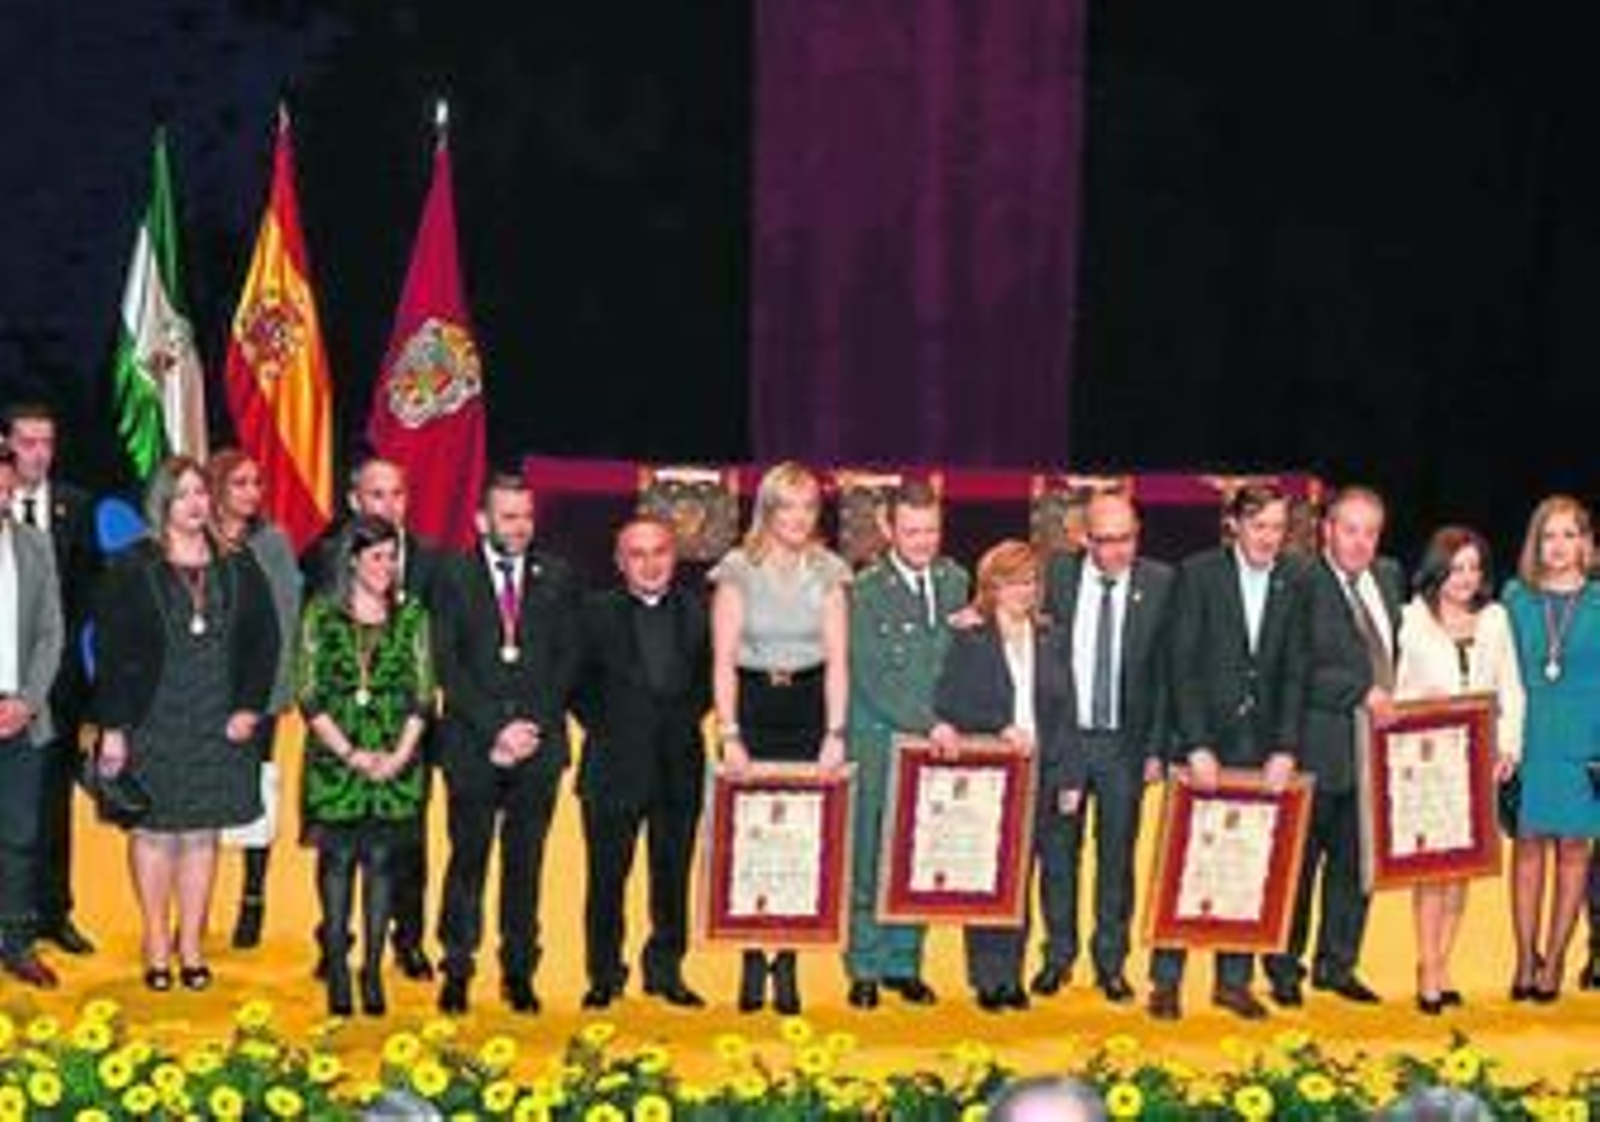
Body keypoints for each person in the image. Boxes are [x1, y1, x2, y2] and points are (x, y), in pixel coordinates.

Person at [92, 455, 279, 991]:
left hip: (219, 718)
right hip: (151, 716)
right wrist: (113, 727)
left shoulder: (238, 563)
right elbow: (110, 650)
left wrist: (249, 706)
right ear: (162, 503)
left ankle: (191, 943)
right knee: (154, 831)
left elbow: (265, 641)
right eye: (183, 495)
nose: (195, 504)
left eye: (200, 492)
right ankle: (156, 939)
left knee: (201, 833)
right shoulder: (133, 565)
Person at [1147, 482, 1307, 1021]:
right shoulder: (1198, 574)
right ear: (1234, 525)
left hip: (1261, 746)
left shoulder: (1295, 579)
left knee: (1245, 861)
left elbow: (1296, 669)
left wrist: (1285, 747)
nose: (1269, 538)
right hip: (1203, 743)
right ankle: (1166, 980)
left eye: (1278, 528)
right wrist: (1195, 744)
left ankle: (1233, 982)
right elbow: (1180, 665)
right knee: (1185, 860)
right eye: (1259, 526)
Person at [432, 472, 579, 1014]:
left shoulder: (557, 576)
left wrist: (528, 728)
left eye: (527, 517)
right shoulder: (451, 576)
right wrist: (496, 728)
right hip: (473, 744)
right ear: (482, 521)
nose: (520, 527)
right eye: (509, 517)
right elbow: (447, 662)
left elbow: (569, 659)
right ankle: (457, 967)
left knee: (526, 862)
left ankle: (519, 971)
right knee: (467, 860)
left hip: (538, 745)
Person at [709, 462, 850, 1014]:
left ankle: (788, 957)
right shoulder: (737, 569)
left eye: (809, 506)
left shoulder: (830, 571)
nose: (799, 517)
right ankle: (750, 955)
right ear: (767, 509)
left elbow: (839, 660)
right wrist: (729, 733)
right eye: (788, 506)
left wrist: (835, 733)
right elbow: (722, 661)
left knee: (801, 836)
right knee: (748, 834)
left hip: (809, 705)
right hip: (753, 702)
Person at [304, 456, 445, 981]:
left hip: (407, 729)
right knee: (336, 849)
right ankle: (334, 943)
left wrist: (413, 729)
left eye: (398, 494)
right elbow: (311, 653)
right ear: (353, 500)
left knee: (406, 843)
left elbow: (440, 648)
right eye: (376, 494)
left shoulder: (435, 561)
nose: (389, 504)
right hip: (339, 732)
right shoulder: (323, 558)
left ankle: (408, 941)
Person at [1265, 485, 1403, 1007]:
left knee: (1355, 868)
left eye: (1371, 532)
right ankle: (1284, 968)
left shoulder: (1387, 577)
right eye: (1350, 530)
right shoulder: (1300, 580)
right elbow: (1294, 666)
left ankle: (1338, 964)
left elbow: (1400, 654)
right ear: (1327, 530)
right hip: (1315, 750)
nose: (1360, 542)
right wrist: (1361, 692)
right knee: (1298, 869)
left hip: (1375, 756)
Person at [932, 540, 1083, 1012]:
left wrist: (1071, 778)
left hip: (1046, 772)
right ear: (992, 585)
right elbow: (952, 703)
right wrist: (1000, 727)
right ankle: (987, 977)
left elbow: (1068, 711)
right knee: (991, 875)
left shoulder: (1051, 636)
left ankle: (1012, 975)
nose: (1024, 590)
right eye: (1014, 581)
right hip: (992, 775)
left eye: (1031, 581)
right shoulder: (970, 637)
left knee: (1030, 877)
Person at [571, 515, 711, 1010]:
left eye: (659, 552)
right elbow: (576, 686)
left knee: (672, 879)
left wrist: (675, 723)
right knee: (606, 880)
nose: (650, 564)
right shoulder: (592, 614)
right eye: (637, 554)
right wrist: (616, 727)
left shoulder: (699, 613)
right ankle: (604, 974)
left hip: (679, 767)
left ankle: (666, 970)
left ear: (675, 556)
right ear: (619, 562)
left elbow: (708, 684)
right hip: (612, 767)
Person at [1038, 489, 1173, 1003]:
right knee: (1058, 855)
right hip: (1065, 741)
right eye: (1106, 541)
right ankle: (1057, 956)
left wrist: (1158, 747)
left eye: (1127, 539)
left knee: (1117, 859)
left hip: (1124, 745)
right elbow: (1013, 615)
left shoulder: (1161, 583)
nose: (1118, 551)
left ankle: (1111, 963)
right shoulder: (1056, 576)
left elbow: (1167, 673)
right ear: (1083, 539)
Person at [843, 480, 968, 1009]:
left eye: (931, 530)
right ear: (887, 528)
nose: (923, 541)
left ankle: (904, 962)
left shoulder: (956, 580)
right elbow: (871, 674)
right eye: (912, 531)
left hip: (937, 741)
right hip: (879, 737)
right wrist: (927, 722)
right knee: (872, 853)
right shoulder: (864, 591)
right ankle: (865, 966)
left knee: (919, 851)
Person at [1394, 526, 1523, 1013]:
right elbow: (1397, 691)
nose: (1465, 578)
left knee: (1462, 872)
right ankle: (1426, 966)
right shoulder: (1411, 619)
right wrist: (1419, 701)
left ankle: (1443, 962)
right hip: (1429, 764)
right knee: (1433, 871)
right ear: (1436, 570)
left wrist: (1508, 748)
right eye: (1455, 568)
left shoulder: (1495, 619)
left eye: (1473, 568)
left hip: (1481, 762)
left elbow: (1511, 689)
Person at [3, 402, 98, 957]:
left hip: (54, 687)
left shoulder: (75, 507)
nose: (39, 454)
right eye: (28, 442)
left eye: (47, 443)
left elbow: (86, 598)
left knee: (52, 804)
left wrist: (49, 680)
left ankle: (53, 913)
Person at [1502, 495, 1600, 1002]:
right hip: (1529, 740)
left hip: (1586, 743)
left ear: (1586, 543)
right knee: (1527, 849)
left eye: (1569, 534)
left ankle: (1556, 959)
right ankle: (1525, 957)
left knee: (1574, 852)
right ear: (1535, 544)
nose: (1559, 546)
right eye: (1549, 536)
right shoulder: (1515, 599)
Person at [206, 449, 304, 950]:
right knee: (195, 801)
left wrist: (269, 698)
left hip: (255, 695)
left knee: (255, 795)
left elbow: (287, 622)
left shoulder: (273, 542)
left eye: (256, 483)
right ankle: (195, 902)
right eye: (239, 483)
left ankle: (252, 896)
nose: (250, 492)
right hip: (199, 694)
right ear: (216, 488)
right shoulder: (194, 538)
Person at [0, 443, 65, 987]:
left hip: (23, 715)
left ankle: (17, 942)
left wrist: (27, 701)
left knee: (21, 834)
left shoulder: (36, 545)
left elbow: (51, 632)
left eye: (5, 489)